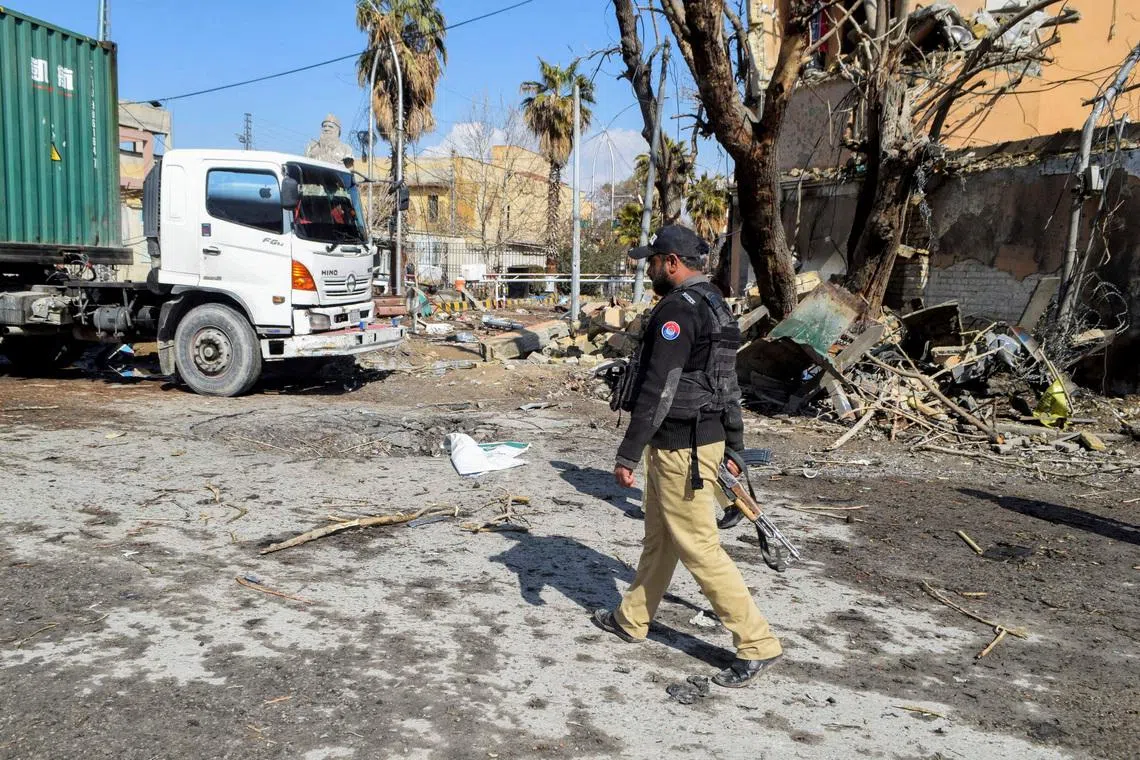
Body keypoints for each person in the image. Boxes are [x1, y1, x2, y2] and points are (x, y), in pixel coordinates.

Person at [592, 224, 783, 688]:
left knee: (700, 548)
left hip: (683, 449)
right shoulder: (716, 305)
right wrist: (735, 444)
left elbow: (660, 388)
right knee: (659, 539)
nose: (649, 267)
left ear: (672, 263)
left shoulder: (678, 309)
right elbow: (728, 385)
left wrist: (627, 452)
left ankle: (756, 642)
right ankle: (631, 618)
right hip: (694, 443)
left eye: (653, 261)